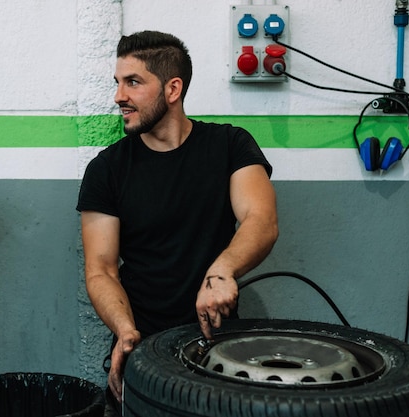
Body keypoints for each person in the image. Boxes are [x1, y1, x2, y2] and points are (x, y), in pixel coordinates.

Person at [76, 30, 278, 407]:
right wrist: (123, 331)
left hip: (218, 346)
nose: (119, 96)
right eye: (118, 83)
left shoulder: (230, 146)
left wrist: (221, 273)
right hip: (141, 347)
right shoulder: (107, 169)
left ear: (172, 89)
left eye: (133, 82)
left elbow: (260, 219)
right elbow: (100, 269)